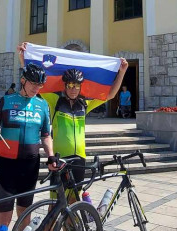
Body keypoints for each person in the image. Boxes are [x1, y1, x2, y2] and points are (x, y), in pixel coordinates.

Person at [17, 42, 128, 202]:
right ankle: (51, 228)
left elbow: (109, 94)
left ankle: (69, 229)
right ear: (65, 86)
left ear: (80, 87)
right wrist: (24, 59)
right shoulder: (55, 101)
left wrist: (122, 72)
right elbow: (36, 84)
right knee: (56, 203)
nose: (73, 88)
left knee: (74, 202)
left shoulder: (85, 104)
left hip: (79, 159)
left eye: (76, 85)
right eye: (70, 85)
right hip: (60, 158)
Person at [0, 63, 57, 231]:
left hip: (30, 166)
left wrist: (51, 155)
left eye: (40, 85)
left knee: (25, 214)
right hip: (6, 165)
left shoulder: (42, 105)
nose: (36, 88)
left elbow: (46, 135)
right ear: (23, 80)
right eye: (33, 83)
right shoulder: (6, 101)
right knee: (4, 217)